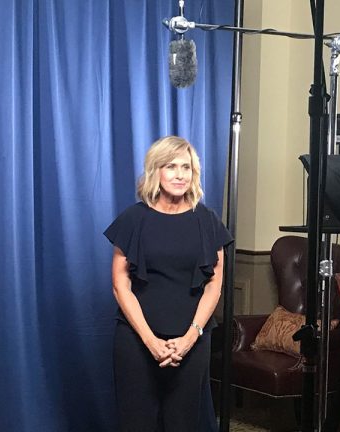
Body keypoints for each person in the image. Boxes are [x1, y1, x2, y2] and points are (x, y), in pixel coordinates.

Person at [104, 136, 232, 431]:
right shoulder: (134, 218)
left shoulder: (207, 220)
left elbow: (215, 284)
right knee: (136, 423)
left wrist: (189, 338)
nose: (180, 174)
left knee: (183, 424)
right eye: (171, 166)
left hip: (192, 339)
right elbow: (119, 285)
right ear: (155, 171)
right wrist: (151, 342)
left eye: (186, 167)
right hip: (136, 339)